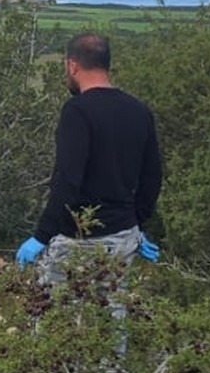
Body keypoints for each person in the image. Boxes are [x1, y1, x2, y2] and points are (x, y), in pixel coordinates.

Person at [15, 33, 163, 347]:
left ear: (72, 65)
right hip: (122, 239)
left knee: (53, 324)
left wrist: (41, 236)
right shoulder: (139, 110)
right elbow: (152, 177)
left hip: (77, 240)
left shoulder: (77, 111)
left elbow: (68, 180)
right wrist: (137, 224)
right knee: (110, 321)